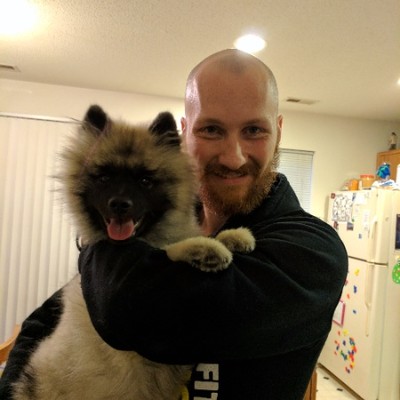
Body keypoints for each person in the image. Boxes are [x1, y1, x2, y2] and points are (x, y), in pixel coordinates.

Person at [78, 49, 348, 399]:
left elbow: (123, 306)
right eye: (211, 130)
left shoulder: (313, 251)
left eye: (254, 130)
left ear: (278, 132)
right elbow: (50, 318)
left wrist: (93, 235)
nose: (233, 157)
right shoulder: (159, 220)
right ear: (184, 134)